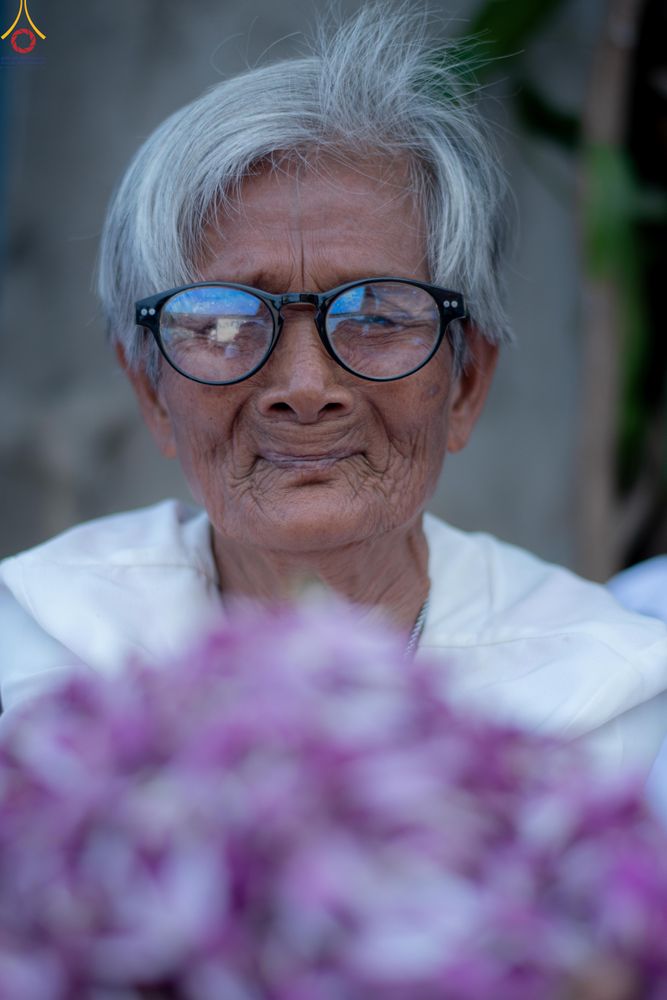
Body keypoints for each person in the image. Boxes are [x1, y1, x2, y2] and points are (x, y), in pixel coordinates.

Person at [1, 8, 666, 773]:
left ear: (466, 383)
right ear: (152, 393)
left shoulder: (613, 706)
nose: (305, 387)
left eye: (376, 314)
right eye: (221, 324)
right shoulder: (41, 642)